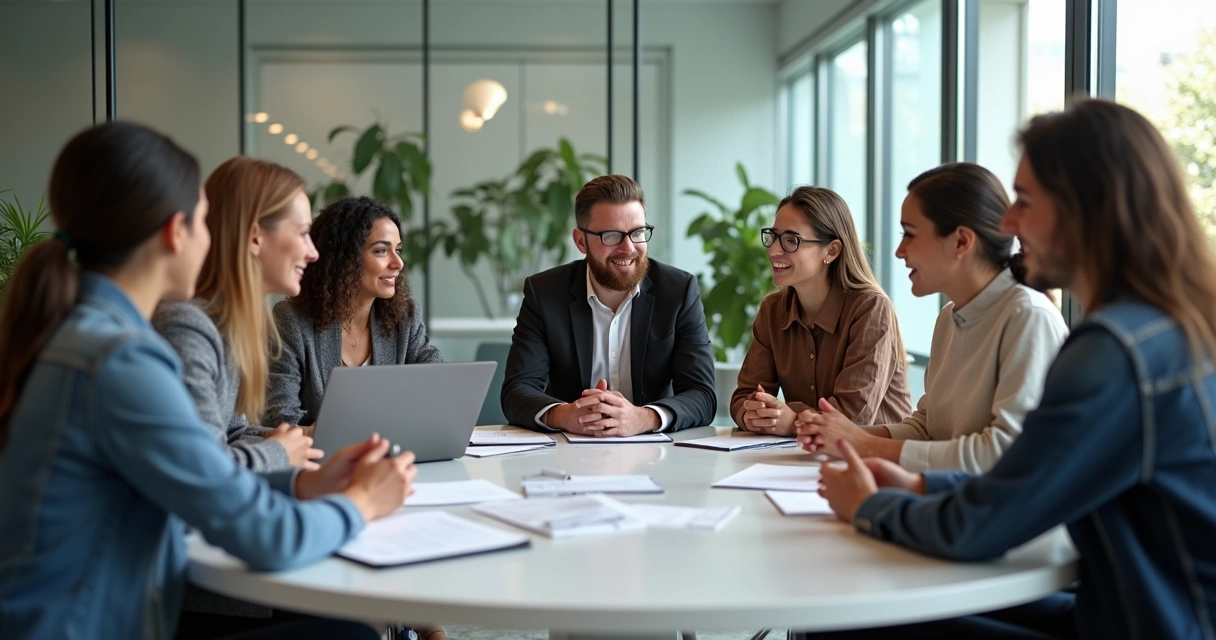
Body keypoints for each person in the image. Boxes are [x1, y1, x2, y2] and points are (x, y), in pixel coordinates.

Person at [816, 98, 1216, 639]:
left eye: (1024, 201)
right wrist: (920, 484)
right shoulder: (1164, 329)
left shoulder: (1112, 354)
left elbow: (985, 523)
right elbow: (1026, 480)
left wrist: (871, 507)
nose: (1008, 223)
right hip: (1117, 609)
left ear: (1084, 208)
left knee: (849, 621)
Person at [0, 121, 415, 640]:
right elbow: (265, 534)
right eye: (204, 222)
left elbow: (210, 466)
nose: (215, 239)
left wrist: (302, 481)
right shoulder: (122, 362)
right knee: (350, 634)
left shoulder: (91, 336)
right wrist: (362, 502)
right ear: (176, 232)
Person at [795, 164, 1068, 473]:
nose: (899, 251)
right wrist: (844, 436)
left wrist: (864, 445)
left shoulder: (1028, 317)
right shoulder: (949, 318)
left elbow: (1006, 453)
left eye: (909, 234)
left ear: (962, 242)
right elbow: (928, 428)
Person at [501, 174, 717, 435]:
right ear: (581, 241)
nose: (628, 248)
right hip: (568, 449)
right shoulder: (545, 293)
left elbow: (703, 395)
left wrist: (643, 418)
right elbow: (517, 390)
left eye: (637, 232)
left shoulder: (678, 291)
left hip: (656, 451)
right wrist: (564, 415)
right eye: (611, 235)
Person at [154, 157, 320, 474]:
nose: (313, 252)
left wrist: (306, 440)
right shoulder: (186, 329)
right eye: (303, 233)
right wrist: (280, 452)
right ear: (255, 237)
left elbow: (232, 434)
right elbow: (205, 466)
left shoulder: (226, 327)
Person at [731, 186, 912, 435]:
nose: (773, 250)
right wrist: (754, 413)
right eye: (773, 236)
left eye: (791, 240)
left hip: (875, 453)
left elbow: (854, 417)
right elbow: (744, 396)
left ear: (831, 251)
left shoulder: (870, 308)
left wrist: (793, 420)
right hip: (807, 452)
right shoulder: (772, 311)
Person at [266, 196, 442, 428]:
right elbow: (279, 418)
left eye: (398, 250)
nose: (398, 263)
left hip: (393, 446)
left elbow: (438, 384)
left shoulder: (405, 316)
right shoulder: (292, 320)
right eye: (381, 250)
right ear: (344, 258)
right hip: (320, 451)